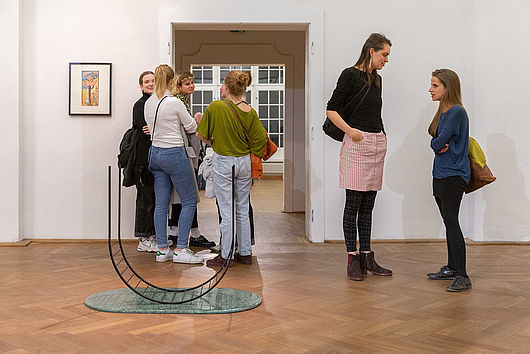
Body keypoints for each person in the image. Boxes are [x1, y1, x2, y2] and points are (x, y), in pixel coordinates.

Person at [325, 33, 393, 281]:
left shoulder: (378, 79)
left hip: (376, 143)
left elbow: (375, 112)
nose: (386, 59)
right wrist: (352, 132)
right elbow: (331, 110)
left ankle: (367, 256)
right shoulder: (349, 74)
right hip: (356, 143)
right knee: (353, 203)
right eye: (384, 54)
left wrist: (383, 134)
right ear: (371, 51)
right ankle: (352, 258)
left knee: (368, 205)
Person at [196, 70, 267, 266]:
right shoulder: (250, 111)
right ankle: (245, 253)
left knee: (226, 210)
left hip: (224, 162)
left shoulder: (216, 107)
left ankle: (226, 255)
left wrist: (215, 142)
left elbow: (201, 135)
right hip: (244, 162)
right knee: (242, 209)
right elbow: (261, 141)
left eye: (222, 85)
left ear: (227, 87)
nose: (221, 88)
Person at [144, 64, 203, 264]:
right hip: (174, 153)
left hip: (155, 153)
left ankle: (162, 249)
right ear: (172, 81)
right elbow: (191, 127)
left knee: (161, 204)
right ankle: (181, 250)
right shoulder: (174, 102)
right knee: (189, 201)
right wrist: (196, 119)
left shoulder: (149, 102)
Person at [426, 68, 471, 292]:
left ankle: (462, 275)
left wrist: (438, 144)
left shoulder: (456, 112)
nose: (430, 89)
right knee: (448, 221)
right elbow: (436, 142)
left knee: (452, 221)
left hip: (453, 175)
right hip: (441, 173)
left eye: (435, 85)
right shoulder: (443, 113)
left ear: (447, 87)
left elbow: (437, 142)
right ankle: (452, 267)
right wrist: (437, 144)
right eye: (431, 84)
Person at [167, 71, 216, 248]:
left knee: (181, 195)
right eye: (187, 84)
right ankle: (191, 234)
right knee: (189, 195)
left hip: (185, 153)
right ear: (179, 86)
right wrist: (197, 121)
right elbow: (188, 128)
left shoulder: (182, 101)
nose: (192, 86)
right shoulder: (179, 102)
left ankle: (175, 231)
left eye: (192, 83)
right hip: (184, 154)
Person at [131, 70, 160, 253]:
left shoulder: (156, 103)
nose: (150, 84)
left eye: (153, 81)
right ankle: (144, 238)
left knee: (154, 199)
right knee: (145, 199)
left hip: (154, 159)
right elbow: (146, 129)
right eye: (146, 81)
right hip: (143, 161)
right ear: (141, 86)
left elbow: (154, 129)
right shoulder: (140, 105)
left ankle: (152, 236)